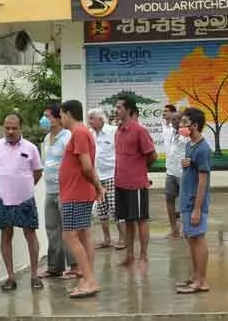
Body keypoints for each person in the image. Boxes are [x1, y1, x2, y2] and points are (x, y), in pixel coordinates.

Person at [0, 113, 43, 292]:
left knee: (30, 235)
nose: (10, 131)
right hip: (4, 199)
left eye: (14, 128)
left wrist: (25, 187)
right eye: (7, 128)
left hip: (25, 199)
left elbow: (38, 172)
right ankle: (10, 277)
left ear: (21, 128)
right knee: (6, 236)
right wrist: (2, 187)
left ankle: (34, 276)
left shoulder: (31, 148)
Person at [59, 100, 105, 299]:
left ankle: (89, 279)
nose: (60, 119)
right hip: (76, 191)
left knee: (70, 235)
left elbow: (86, 166)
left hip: (76, 193)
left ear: (68, 114)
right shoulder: (81, 133)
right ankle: (87, 278)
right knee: (84, 234)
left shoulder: (79, 133)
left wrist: (97, 186)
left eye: (61, 115)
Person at [114, 95, 157, 267]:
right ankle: (129, 256)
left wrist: (140, 170)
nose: (116, 110)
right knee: (127, 220)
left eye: (119, 107)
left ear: (129, 110)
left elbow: (152, 155)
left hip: (136, 183)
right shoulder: (118, 130)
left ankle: (143, 256)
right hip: (120, 182)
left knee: (141, 219)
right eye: (116, 107)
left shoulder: (139, 130)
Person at [176, 107, 212, 294]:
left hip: (194, 202)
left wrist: (197, 209)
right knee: (191, 238)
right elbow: (192, 168)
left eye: (184, 123)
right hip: (186, 200)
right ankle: (195, 276)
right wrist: (186, 164)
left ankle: (202, 280)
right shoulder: (190, 145)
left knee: (198, 238)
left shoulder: (203, 149)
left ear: (195, 126)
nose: (180, 126)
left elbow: (203, 180)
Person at [40, 104, 72, 279]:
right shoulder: (47, 139)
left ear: (58, 118)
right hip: (50, 189)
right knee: (52, 228)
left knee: (68, 229)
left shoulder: (67, 137)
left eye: (48, 116)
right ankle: (55, 266)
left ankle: (74, 266)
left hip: (64, 189)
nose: (44, 119)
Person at [87, 107, 124, 251]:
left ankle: (122, 238)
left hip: (111, 174)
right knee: (102, 210)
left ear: (101, 119)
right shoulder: (90, 134)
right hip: (96, 176)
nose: (89, 122)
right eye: (89, 118)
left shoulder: (113, 131)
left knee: (116, 209)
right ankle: (107, 239)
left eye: (92, 118)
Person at [163, 110, 187, 239]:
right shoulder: (169, 132)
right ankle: (174, 229)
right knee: (169, 198)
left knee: (185, 202)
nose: (174, 122)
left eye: (177, 119)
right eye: (172, 120)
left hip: (184, 173)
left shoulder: (187, 133)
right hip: (171, 171)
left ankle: (186, 228)